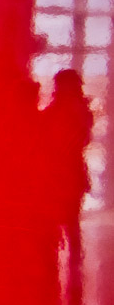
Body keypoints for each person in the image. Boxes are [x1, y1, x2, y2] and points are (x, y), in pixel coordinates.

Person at [40, 68, 93, 266]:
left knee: (61, 217)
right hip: (70, 170)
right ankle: (73, 262)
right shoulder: (80, 110)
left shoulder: (61, 109)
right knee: (71, 219)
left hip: (60, 170)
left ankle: (56, 258)